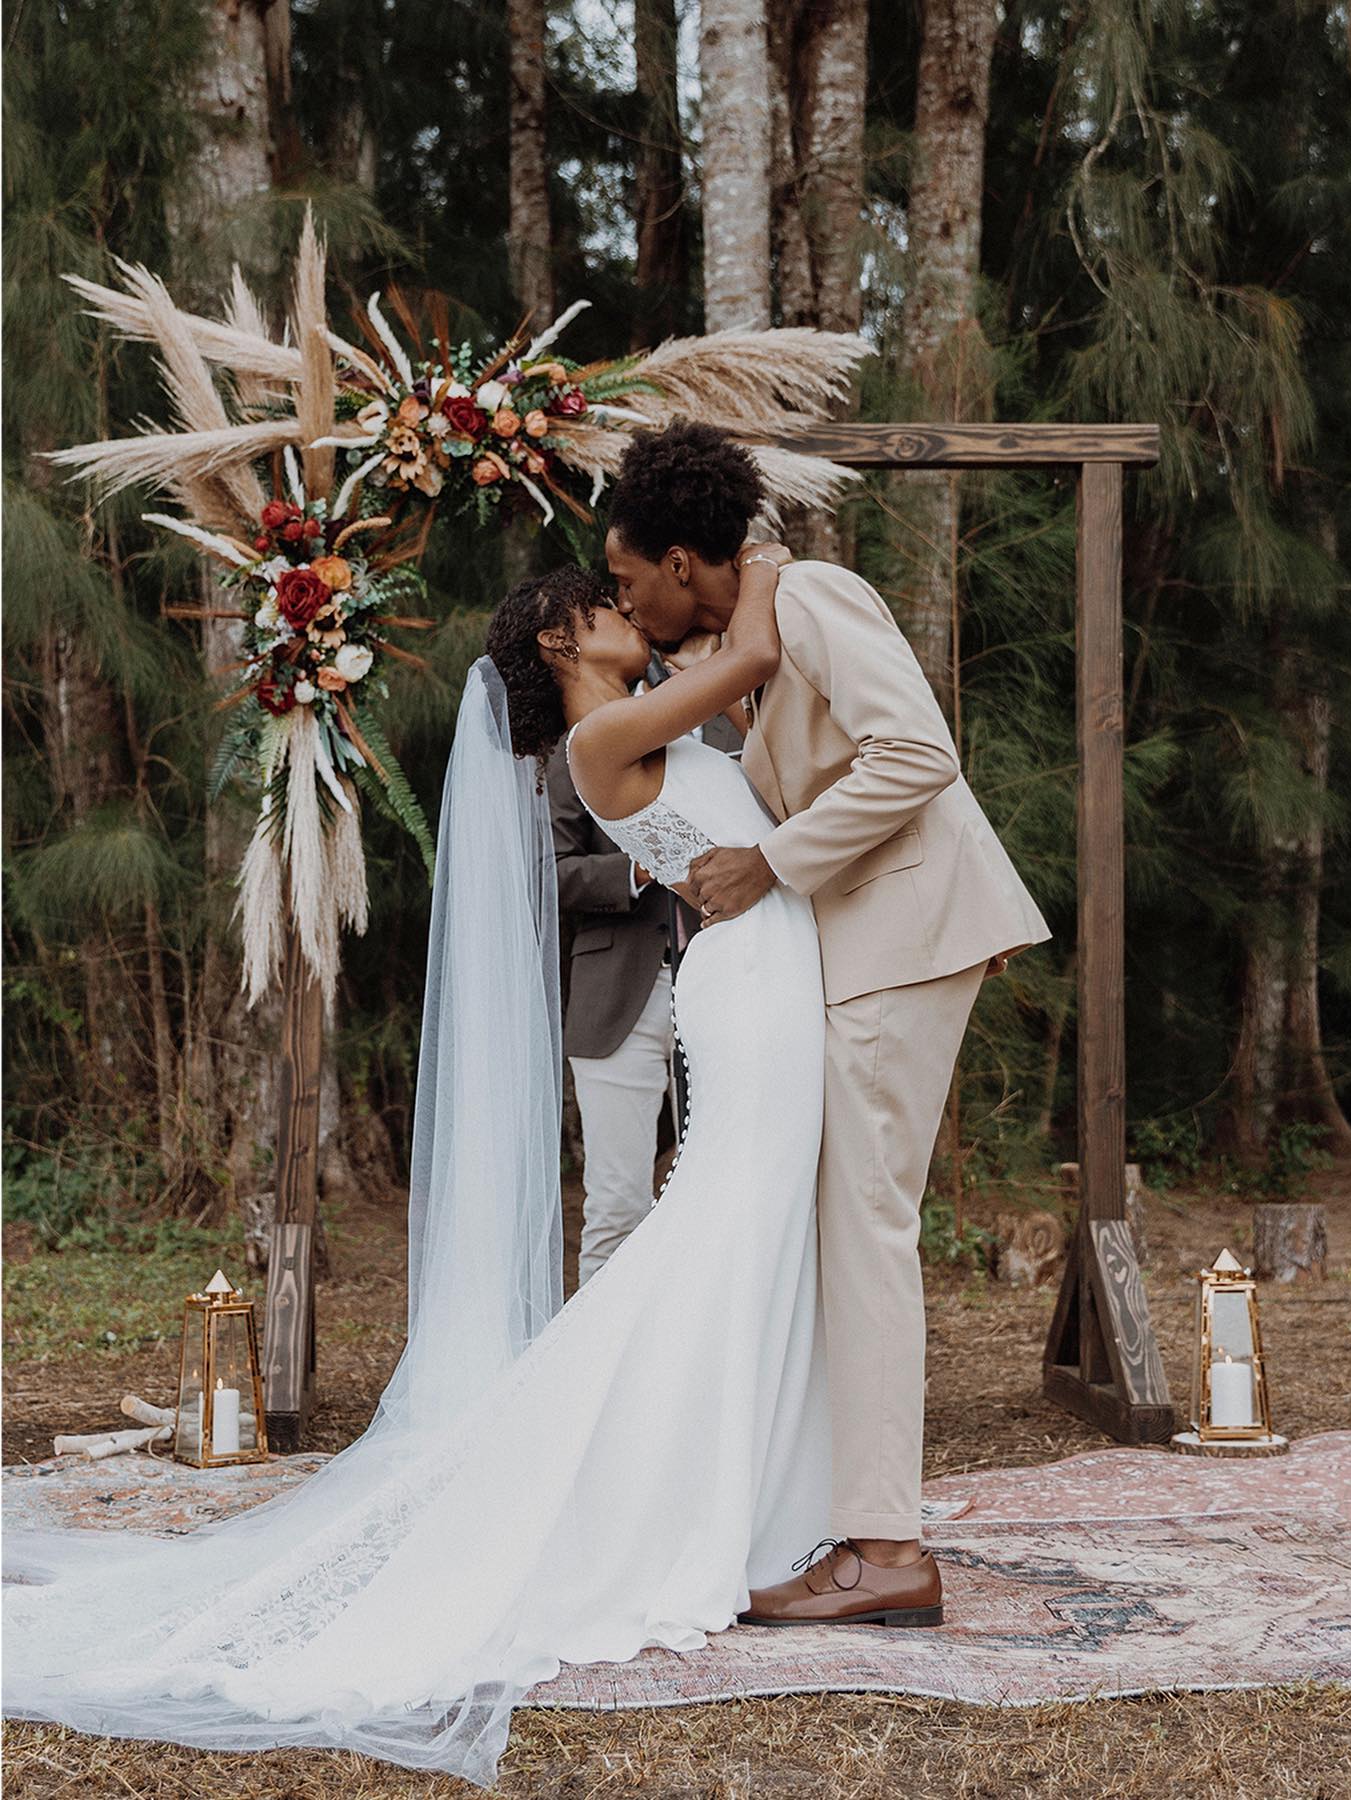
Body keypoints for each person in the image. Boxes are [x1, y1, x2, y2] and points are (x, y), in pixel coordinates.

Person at [4, 546, 848, 1791]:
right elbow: (759, 654)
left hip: (766, 980)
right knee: (720, 1228)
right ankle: (677, 1489)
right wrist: (766, 565)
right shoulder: (600, 744)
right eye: (604, 604)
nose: (625, 611)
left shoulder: (650, 709)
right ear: (560, 645)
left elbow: (751, 704)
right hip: (755, 990)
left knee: (742, 1231)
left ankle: (745, 1484)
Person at [604, 421, 1051, 1625]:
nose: (626, 600)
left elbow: (919, 753)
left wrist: (773, 863)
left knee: (864, 1228)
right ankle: (842, 1518)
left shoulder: (816, 599)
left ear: (686, 560)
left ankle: (885, 1549)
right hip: (855, 953)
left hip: (904, 939)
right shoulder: (744, 643)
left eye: (630, 576)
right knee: (842, 1225)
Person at [547, 686, 741, 1283]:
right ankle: (596, 1372)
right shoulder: (584, 739)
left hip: (732, 982)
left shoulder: (743, 728)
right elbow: (546, 873)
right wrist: (638, 866)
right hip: (617, 994)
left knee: (726, 1200)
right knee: (615, 1202)